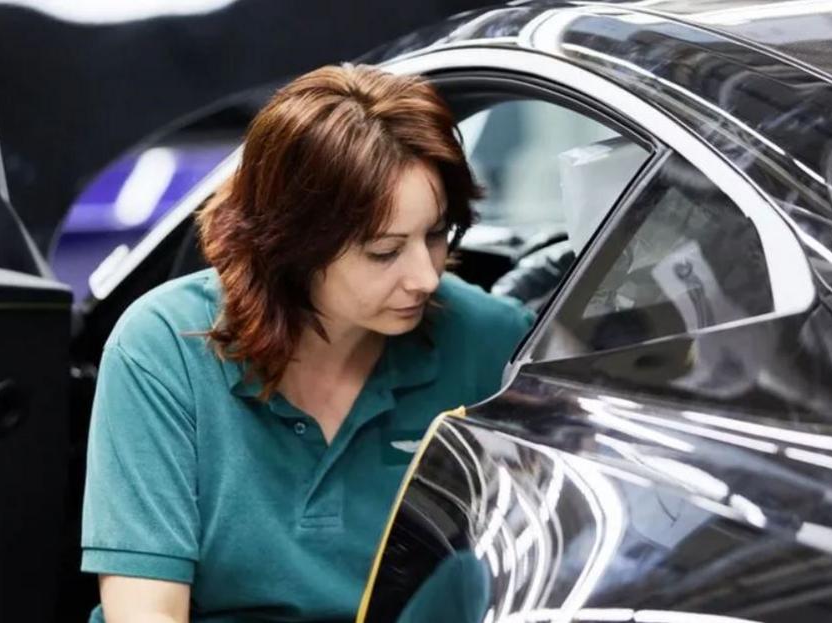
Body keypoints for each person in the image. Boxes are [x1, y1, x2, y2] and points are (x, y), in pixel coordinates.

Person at [80, 63, 534, 622]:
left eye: (436, 234)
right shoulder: (163, 346)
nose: (424, 276)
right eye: (385, 251)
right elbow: (145, 614)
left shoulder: (492, 342)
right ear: (293, 244)